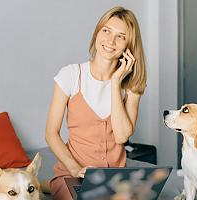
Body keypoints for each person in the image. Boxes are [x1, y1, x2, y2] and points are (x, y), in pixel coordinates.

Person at [45, 6, 147, 200]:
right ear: (97, 32)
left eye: (121, 36)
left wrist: (116, 82)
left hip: (115, 179)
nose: (110, 41)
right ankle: (51, 185)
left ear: (129, 46)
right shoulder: (71, 75)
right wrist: (74, 168)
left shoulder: (132, 85)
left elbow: (122, 136)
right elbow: (51, 133)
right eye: (106, 30)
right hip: (71, 175)